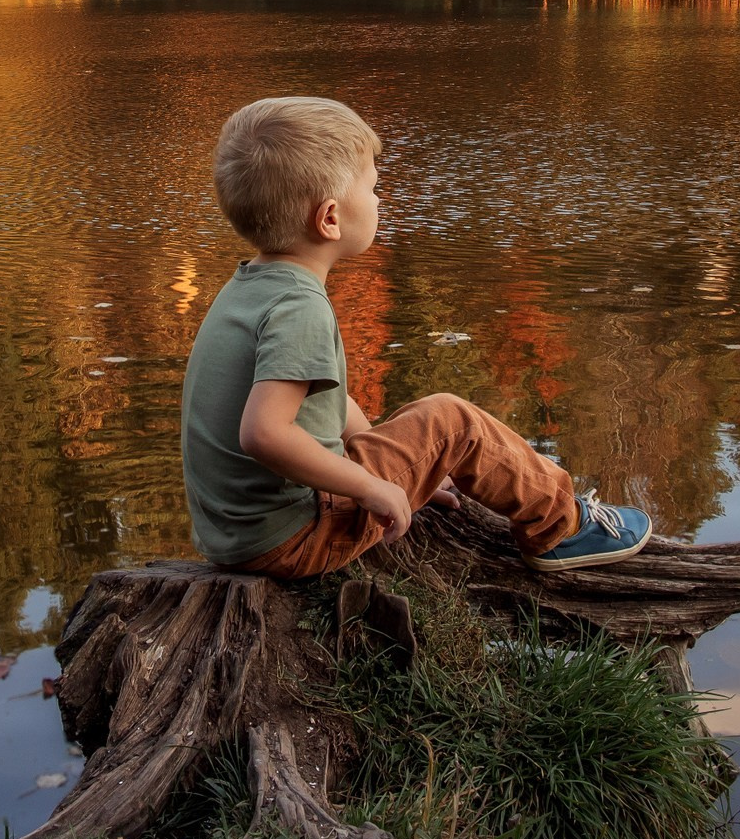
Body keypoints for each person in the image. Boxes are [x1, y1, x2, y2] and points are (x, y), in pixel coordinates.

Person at [181, 95, 652, 579]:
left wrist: (405, 469)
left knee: (424, 429)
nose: (380, 199)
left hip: (236, 535)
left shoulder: (249, 287)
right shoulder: (298, 307)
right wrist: (369, 487)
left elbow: (327, 402)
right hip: (295, 536)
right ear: (329, 219)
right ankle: (561, 527)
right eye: (373, 187)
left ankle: (529, 507)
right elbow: (263, 434)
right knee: (453, 422)